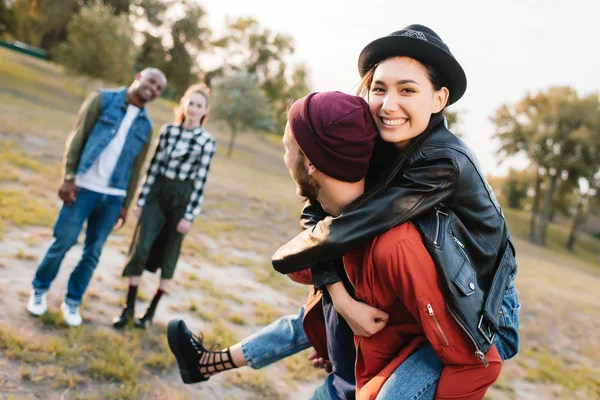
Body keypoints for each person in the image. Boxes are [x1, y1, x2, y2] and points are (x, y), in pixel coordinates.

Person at [168, 91, 502, 400]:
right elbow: (317, 294)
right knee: (303, 320)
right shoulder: (332, 218)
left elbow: (471, 356)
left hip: (369, 384)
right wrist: (337, 318)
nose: (284, 158)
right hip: (342, 381)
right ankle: (210, 363)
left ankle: (210, 363)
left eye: (287, 148)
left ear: (312, 163)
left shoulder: (393, 242)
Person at [272, 24, 521, 366]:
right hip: (425, 291)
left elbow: (350, 225)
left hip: (480, 310)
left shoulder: (444, 162)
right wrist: (339, 299)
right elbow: (320, 210)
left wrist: (288, 258)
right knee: (324, 323)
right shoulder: (384, 139)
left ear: (439, 99)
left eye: (407, 90)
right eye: (379, 89)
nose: (388, 105)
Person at [27, 68, 167, 326]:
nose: (154, 88)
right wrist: (69, 176)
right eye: (152, 81)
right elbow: (78, 137)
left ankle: (72, 302)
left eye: (160, 88)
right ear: (137, 76)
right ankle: (39, 290)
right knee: (63, 242)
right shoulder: (102, 100)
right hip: (83, 188)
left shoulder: (146, 126)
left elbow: (137, 168)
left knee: (92, 254)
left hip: (113, 198)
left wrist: (125, 205)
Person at [113, 83, 216, 329]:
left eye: (199, 105)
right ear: (183, 104)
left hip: (182, 197)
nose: (193, 109)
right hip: (158, 193)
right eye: (190, 103)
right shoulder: (168, 131)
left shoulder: (206, 142)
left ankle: (150, 312)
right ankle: (128, 307)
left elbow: (200, 181)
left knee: (169, 253)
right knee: (141, 247)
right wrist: (140, 200)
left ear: (205, 111)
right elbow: (153, 168)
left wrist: (189, 215)